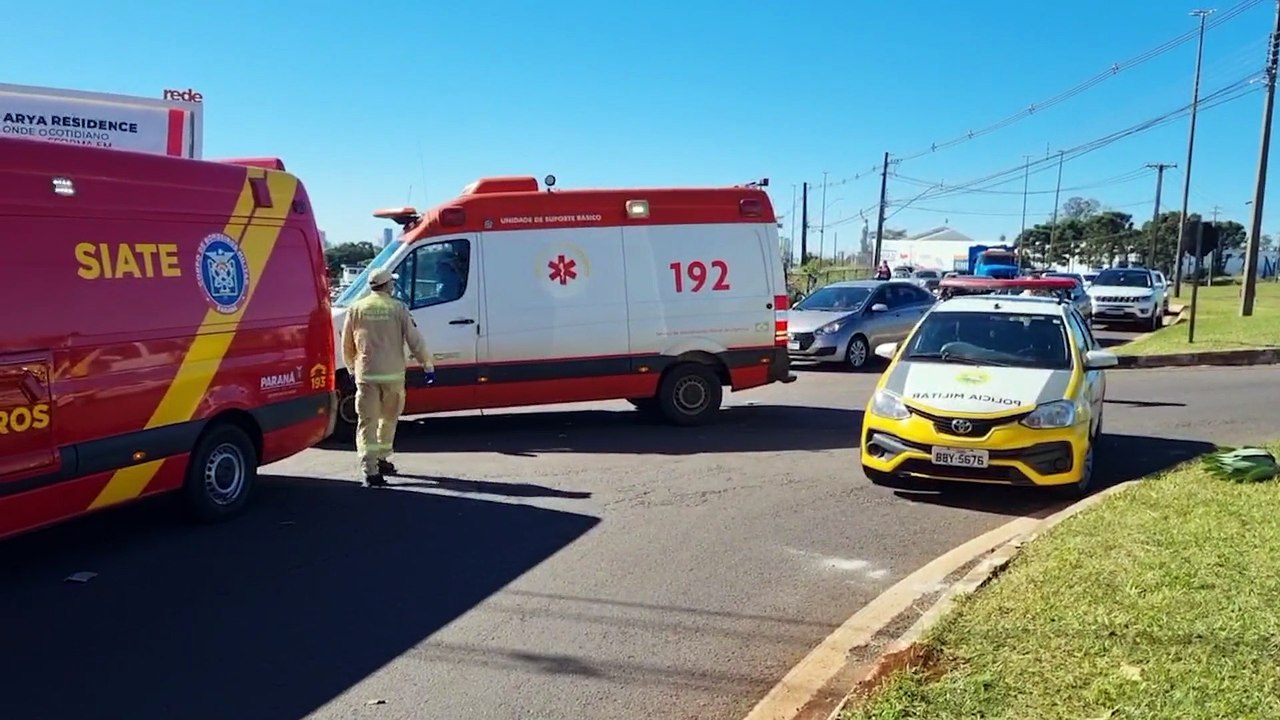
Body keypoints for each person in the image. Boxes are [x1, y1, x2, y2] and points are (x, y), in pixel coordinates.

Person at [341, 267, 435, 487]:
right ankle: (382, 457)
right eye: (391, 283)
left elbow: (347, 343)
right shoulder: (398, 308)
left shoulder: (356, 308)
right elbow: (415, 340)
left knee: (367, 422)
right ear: (387, 286)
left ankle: (370, 470)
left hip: (366, 375)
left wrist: (351, 368)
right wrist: (427, 364)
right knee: (389, 419)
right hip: (392, 375)